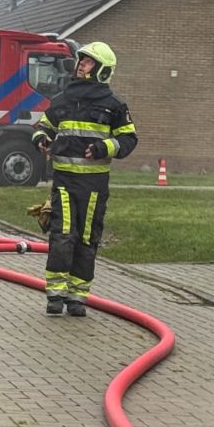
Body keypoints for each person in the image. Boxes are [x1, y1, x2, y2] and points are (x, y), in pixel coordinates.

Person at [30, 42, 137, 316]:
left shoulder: (114, 106)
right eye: (81, 60)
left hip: (93, 186)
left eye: (88, 62)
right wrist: (41, 138)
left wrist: (104, 147)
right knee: (62, 235)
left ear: (102, 70)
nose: (81, 65)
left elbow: (128, 139)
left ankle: (77, 297)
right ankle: (55, 294)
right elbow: (43, 126)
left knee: (87, 239)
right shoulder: (63, 100)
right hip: (64, 182)